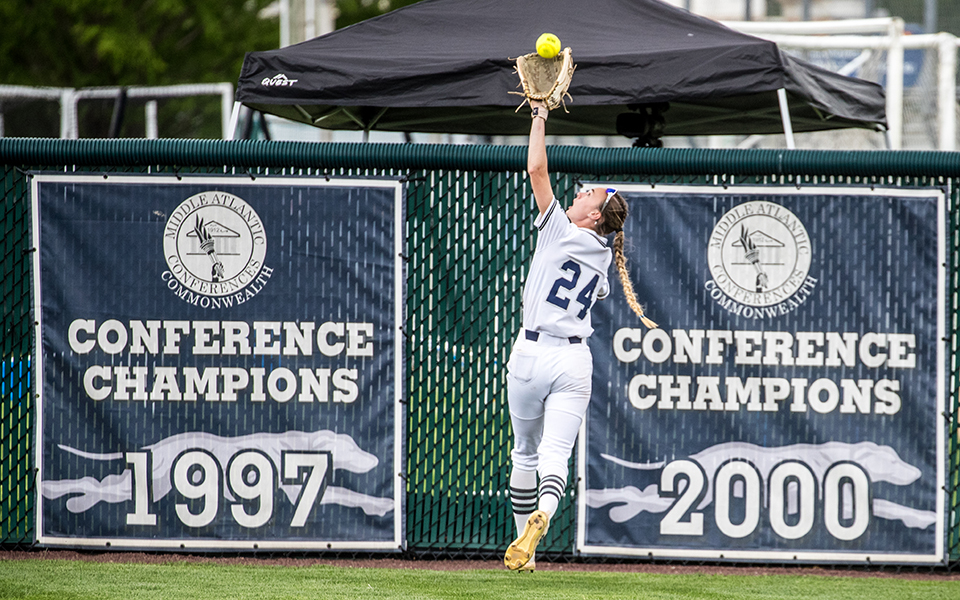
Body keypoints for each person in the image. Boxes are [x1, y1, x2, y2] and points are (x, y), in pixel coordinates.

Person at [503, 99, 657, 572]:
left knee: (525, 451)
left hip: (531, 353)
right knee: (557, 454)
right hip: (574, 361)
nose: (581, 193)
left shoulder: (560, 230)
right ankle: (543, 518)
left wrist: (538, 113)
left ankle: (521, 547)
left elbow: (535, 168)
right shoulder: (604, 254)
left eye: (588, 195)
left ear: (592, 217)